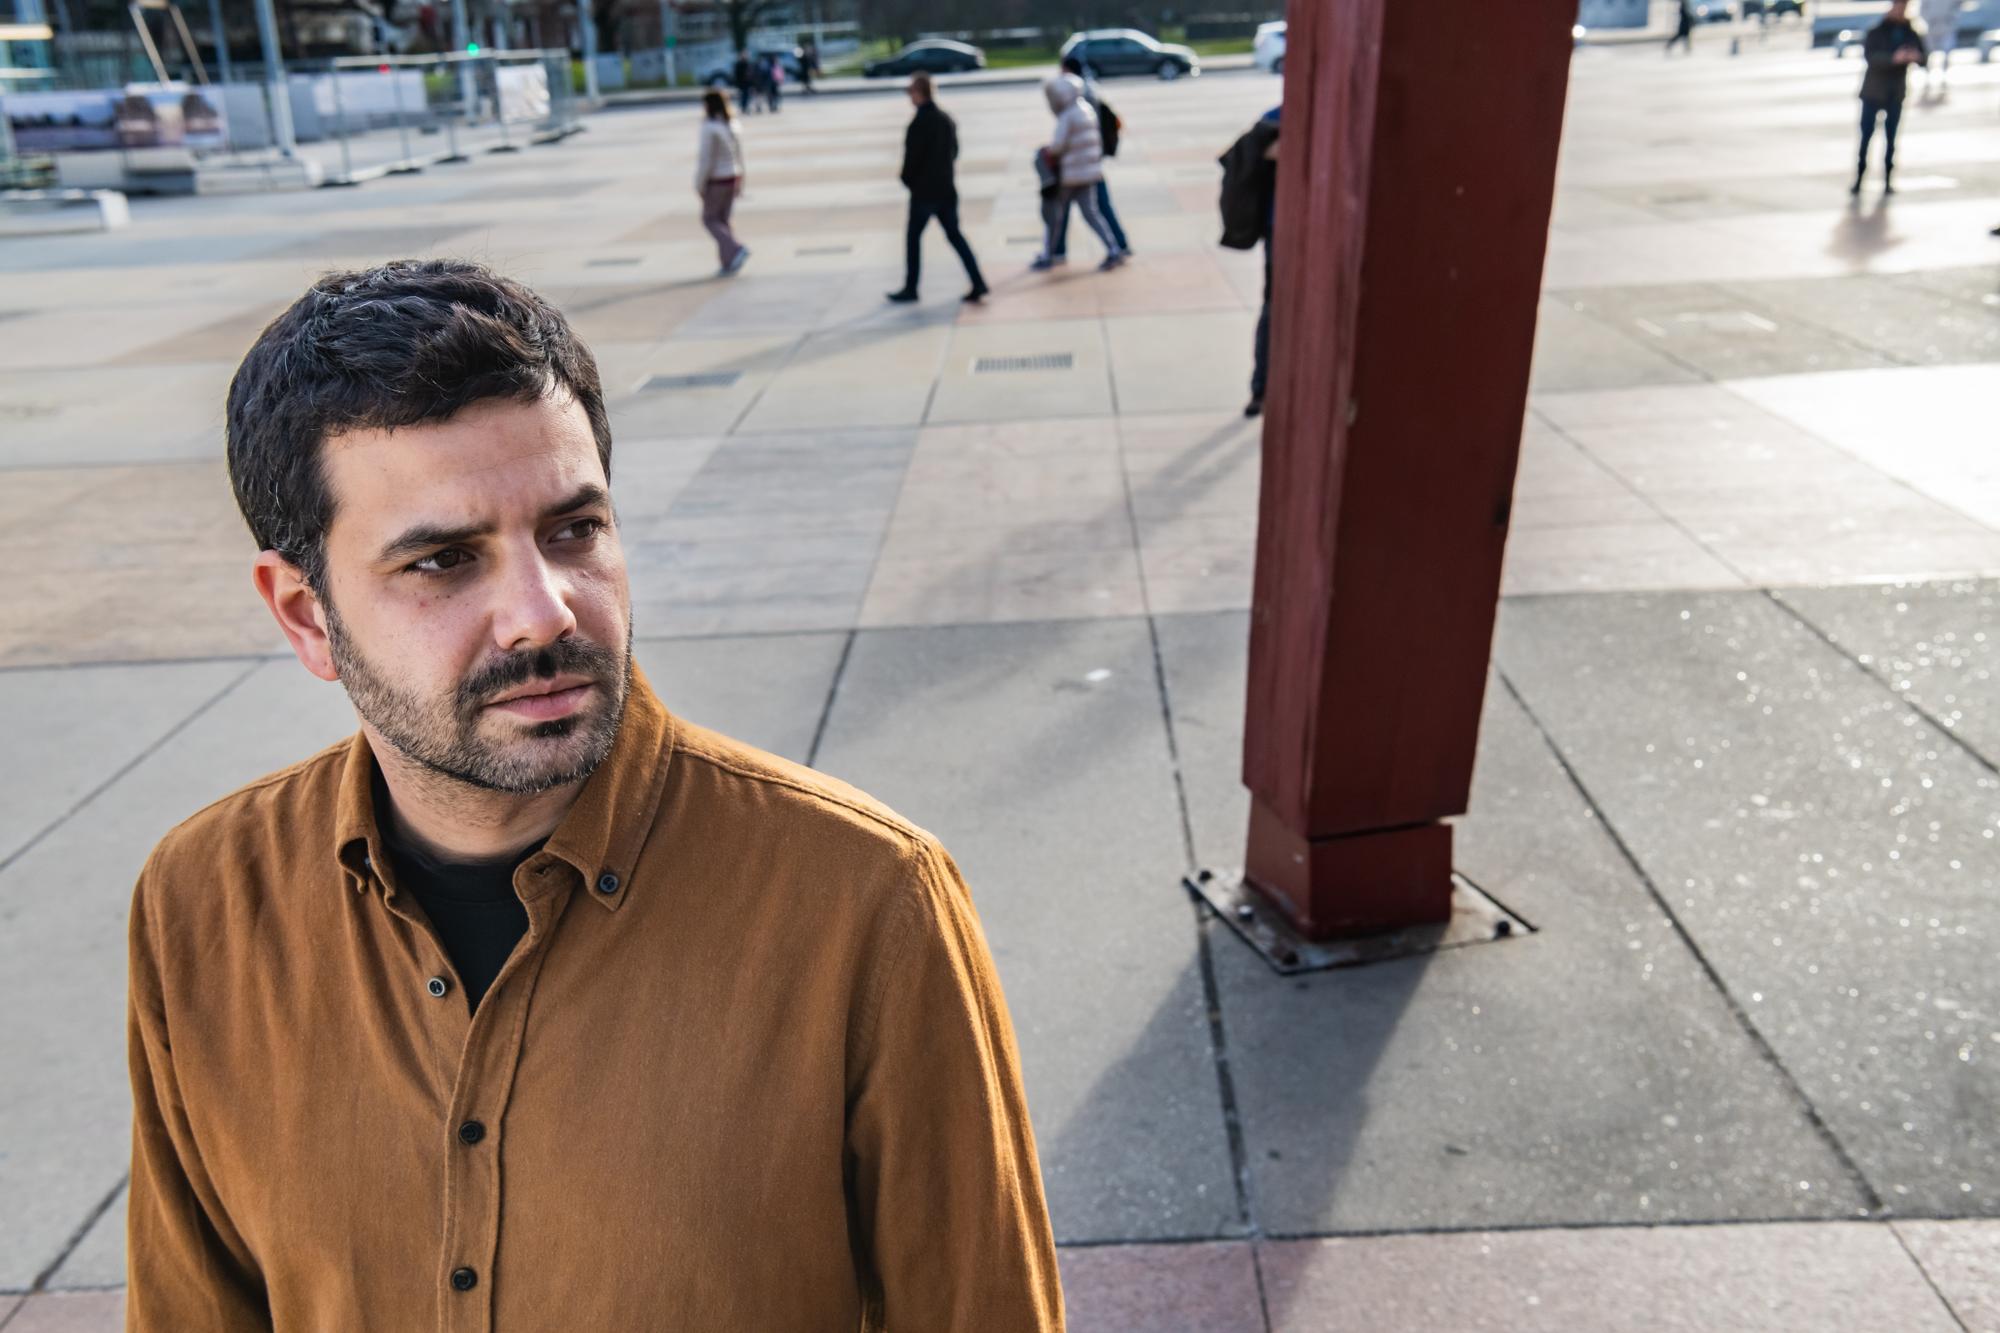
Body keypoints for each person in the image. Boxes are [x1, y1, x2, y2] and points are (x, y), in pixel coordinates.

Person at [124, 258, 1064, 1330]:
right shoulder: (204, 901)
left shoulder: (866, 903)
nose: (544, 612)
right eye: (443, 560)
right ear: (305, 614)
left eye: (574, 530)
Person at [887, 73, 988, 303]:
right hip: (946, 189)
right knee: (955, 236)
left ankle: (911, 287)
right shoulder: (945, 119)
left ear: (920, 93)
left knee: (914, 238)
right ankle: (978, 281)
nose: (909, 97)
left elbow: (911, 161)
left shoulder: (919, 123)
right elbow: (955, 152)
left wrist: (908, 180)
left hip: (924, 193)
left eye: (911, 92)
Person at [1218, 107, 1281, 417]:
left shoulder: (1277, 116)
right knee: (1273, 307)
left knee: (1273, 307)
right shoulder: (1279, 119)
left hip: (1280, 228)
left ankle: (1261, 387)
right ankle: (1261, 387)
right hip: (1279, 229)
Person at [1031, 73, 1125, 272]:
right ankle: (1113, 249)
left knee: (1055, 216)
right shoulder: (1086, 109)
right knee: (1092, 214)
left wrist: (1048, 152)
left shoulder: (1068, 115)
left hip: (1070, 176)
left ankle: (1049, 254)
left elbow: (1058, 147)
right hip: (1088, 174)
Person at [1854, 0, 1927, 195]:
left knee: (1891, 139)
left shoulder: (1911, 32)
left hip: (1895, 93)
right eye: (1898, 6)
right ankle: (1859, 180)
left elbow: (1924, 58)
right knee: (1866, 137)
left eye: (1904, 7)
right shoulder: (1877, 30)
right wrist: (1893, 58)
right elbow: (1870, 57)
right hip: (1873, 92)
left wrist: (1916, 56)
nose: (1901, 10)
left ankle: (1887, 181)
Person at [695, 88, 749, 274]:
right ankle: (728, 262)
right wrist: (742, 179)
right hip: (733, 176)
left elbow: (706, 160)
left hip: (717, 178)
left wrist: (699, 184)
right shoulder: (732, 124)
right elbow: (739, 155)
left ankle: (735, 249)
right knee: (723, 221)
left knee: (709, 219)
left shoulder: (709, 127)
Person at [1918, 0, 1958, 82]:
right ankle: (1927, 75)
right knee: (1928, 52)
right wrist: (1929, 20)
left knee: (1947, 50)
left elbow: (1957, 6)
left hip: (1947, 26)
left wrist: (1951, 18)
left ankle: (1945, 76)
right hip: (1931, 26)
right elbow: (1922, 9)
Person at [731, 48, 757, 115]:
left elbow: (752, 73)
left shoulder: (748, 63)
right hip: (742, 83)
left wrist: (753, 83)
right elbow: (736, 74)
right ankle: (743, 107)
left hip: (748, 82)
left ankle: (746, 107)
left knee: (747, 96)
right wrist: (737, 83)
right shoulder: (739, 64)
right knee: (743, 96)